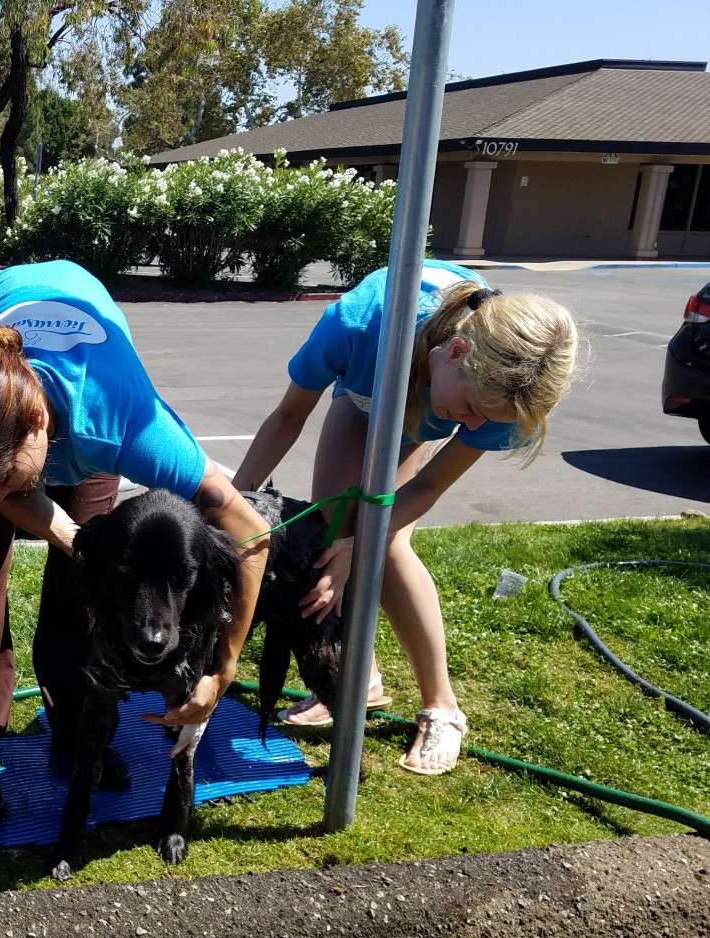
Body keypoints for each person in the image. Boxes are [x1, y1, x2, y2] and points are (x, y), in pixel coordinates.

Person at [0, 259, 270, 824]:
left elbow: (252, 532)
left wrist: (221, 668)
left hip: (87, 401)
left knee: (85, 596)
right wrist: (74, 537)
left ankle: (79, 731)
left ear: (38, 425)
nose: (1, 494)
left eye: (5, 480)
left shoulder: (126, 422)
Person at [230, 260, 579, 775]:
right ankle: (357, 678)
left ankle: (442, 706)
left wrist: (364, 543)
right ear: (456, 352)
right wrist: (233, 503)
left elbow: (430, 484)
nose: (478, 425)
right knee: (330, 535)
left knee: (383, 547)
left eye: (491, 421)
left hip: (426, 399)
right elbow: (288, 415)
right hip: (369, 385)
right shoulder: (358, 326)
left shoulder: (501, 394)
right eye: (475, 409)